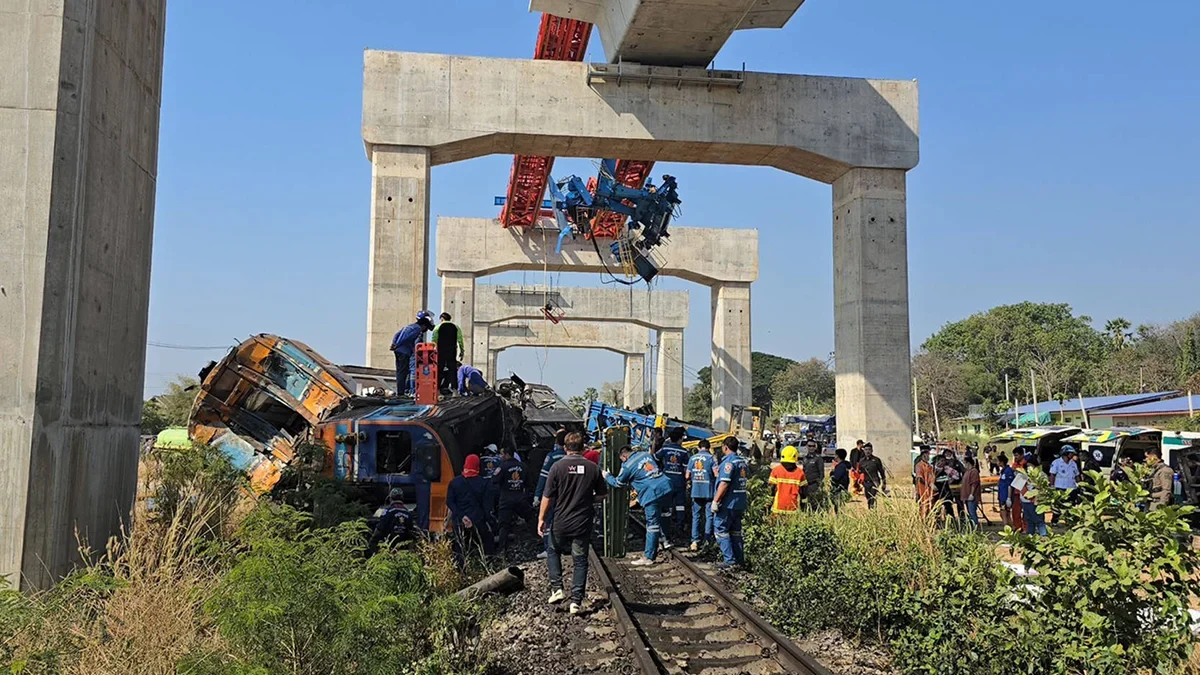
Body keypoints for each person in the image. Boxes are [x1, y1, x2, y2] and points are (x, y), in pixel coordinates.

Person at [538, 432, 607, 614]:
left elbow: (547, 496)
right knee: (580, 560)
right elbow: (602, 495)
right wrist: (588, 499)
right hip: (582, 522)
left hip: (560, 521)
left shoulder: (557, 467)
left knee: (553, 550)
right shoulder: (592, 468)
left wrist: (541, 518)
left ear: (565, 448)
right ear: (583, 448)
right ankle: (576, 601)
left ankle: (557, 588)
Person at [604, 443, 673, 565]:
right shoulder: (645, 454)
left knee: (652, 525)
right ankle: (665, 540)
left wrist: (607, 475)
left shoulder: (627, 466)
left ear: (624, 456)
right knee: (664, 514)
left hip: (651, 493)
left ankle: (649, 557)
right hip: (666, 486)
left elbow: (618, 483)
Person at [446, 454, 497, 564]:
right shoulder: (485, 483)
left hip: (459, 520)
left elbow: (449, 502)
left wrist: (463, 516)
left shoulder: (454, 482)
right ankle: (487, 564)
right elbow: (487, 506)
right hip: (478, 521)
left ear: (465, 465)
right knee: (487, 541)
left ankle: (461, 569)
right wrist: (482, 520)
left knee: (460, 546)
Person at [712, 437, 750, 568]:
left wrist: (715, 501)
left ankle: (729, 560)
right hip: (740, 502)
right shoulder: (742, 462)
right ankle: (739, 560)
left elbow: (724, 484)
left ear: (725, 447)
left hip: (728, 502)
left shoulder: (728, 463)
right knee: (735, 531)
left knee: (720, 529)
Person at [534, 429, 569, 560]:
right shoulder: (571, 457)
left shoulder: (552, 457)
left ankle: (549, 548)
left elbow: (543, 476)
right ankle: (564, 545)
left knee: (548, 521)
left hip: (553, 494)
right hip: (567, 494)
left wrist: (537, 495)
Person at [493, 445, 533, 555]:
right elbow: (529, 484)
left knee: (503, 525)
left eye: (502, 454)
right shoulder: (523, 466)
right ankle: (536, 537)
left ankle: (502, 549)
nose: (500, 456)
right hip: (520, 498)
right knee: (530, 518)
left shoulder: (502, 467)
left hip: (506, 499)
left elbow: (494, 480)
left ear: (507, 454)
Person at [655, 427, 691, 545]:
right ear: (680, 439)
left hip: (666, 481)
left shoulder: (665, 448)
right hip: (679, 482)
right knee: (680, 505)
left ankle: (665, 530)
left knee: (666, 506)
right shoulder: (684, 452)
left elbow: (655, 458)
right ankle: (679, 527)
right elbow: (686, 469)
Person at [390, 311, 435, 395]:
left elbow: (397, 334)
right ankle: (401, 393)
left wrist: (394, 343)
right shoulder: (417, 329)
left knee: (401, 372)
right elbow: (406, 337)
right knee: (403, 372)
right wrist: (397, 344)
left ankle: (401, 391)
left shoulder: (410, 326)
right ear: (424, 325)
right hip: (404, 351)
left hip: (399, 351)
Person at [688, 439, 717, 550]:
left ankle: (694, 541)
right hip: (709, 491)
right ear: (709, 448)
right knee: (709, 516)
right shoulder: (712, 458)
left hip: (696, 490)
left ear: (699, 448)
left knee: (696, 516)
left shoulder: (692, 458)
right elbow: (716, 474)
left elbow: (687, 475)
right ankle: (707, 540)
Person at [367, 488, 414, 556]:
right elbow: (411, 533)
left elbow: (379, 529)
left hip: (388, 549)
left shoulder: (387, 512)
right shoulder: (408, 513)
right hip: (403, 551)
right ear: (402, 498)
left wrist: (372, 544)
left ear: (390, 499)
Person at [768, 445, 807, 515]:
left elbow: (771, 489)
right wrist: (804, 505)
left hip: (778, 508)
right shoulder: (800, 472)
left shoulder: (776, 470)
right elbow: (803, 492)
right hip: (793, 508)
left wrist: (769, 505)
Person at [432, 312, 464, 393]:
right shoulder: (456, 327)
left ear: (442, 319)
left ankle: (437, 390)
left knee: (439, 370)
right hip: (452, 351)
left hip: (441, 351)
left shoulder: (438, 327)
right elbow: (460, 340)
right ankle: (455, 390)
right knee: (452, 370)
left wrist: (433, 350)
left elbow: (434, 339)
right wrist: (462, 351)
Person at [1049, 446, 1081, 520]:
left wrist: (1080, 485)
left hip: (1071, 488)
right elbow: (1052, 475)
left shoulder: (1073, 464)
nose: (1072, 455)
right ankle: (1055, 521)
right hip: (1060, 488)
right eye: (1071, 453)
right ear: (1066, 453)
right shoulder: (1056, 462)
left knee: (1071, 505)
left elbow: (1077, 476)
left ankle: (1069, 521)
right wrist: (1052, 486)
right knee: (1058, 506)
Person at [859, 442, 887, 508]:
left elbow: (881, 471)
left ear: (872, 450)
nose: (867, 451)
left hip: (874, 482)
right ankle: (870, 508)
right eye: (866, 450)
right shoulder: (862, 461)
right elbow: (859, 472)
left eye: (869, 449)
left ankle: (872, 509)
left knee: (872, 497)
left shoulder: (876, 460)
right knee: (868, 497)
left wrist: (884, 482)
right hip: (866, 482)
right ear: (864, 451)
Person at [801, 440, 825, 509]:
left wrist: (819, 484)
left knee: (814, 504)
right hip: (806, 485)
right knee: (805, 503)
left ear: (815, 447)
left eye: (813, 446)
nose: (811, 448)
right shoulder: (805, 458)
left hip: (814, 484)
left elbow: (821, 473)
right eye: (809, 446)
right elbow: (804, 470)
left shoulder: (818, 458)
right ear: (806, 447)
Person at [914, 446, 936, 518]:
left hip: (930, 491)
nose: (929, 456)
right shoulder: (919, 465)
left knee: (931, 507)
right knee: (924, 507)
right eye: (927, 454)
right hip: (923, 490)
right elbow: (919, 477)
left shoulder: (930, 466)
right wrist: (928, 484)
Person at [961, 457, 982, 529]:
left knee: (972, 513)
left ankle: (974, 528)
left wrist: (972, 494)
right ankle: (972, 527)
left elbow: (974, 484)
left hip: (972, 496)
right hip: (967, 496)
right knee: (970, 513)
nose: (964, 464)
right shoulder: (967, 471)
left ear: (968, 463)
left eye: (964, 463)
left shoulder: (974, 471)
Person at [996, 453, 1014, 528]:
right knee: (1005, 513)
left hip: (1005, 496)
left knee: (1004, 513)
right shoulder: (1003, 471)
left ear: (1002, 462)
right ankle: (1012, 528)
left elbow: (1010, 485)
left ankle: (1006, 527)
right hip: (1002, 495)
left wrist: (1009, 498)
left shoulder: (1008, 471)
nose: (997, 462)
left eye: (998, 461)